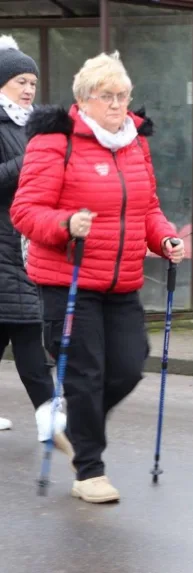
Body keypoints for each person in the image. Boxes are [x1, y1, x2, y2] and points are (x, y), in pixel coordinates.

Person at [11, 51, 185, 503]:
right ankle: (90, 470)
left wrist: (164, 239)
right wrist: (66, 225)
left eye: (122, 95)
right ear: (83, 100)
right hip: (68, 280)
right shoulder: (55, 142)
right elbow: (25, 211)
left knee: (128, 366)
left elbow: (146, 208)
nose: (116, 104)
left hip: (122, 280)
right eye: (105, 96)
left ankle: (72, 424)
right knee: (86, 375)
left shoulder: (134, 143)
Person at [0, 35, 72, 458]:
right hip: (4, 248)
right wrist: (30, 158)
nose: (29, 89)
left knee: (22, 330)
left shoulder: (36, 126)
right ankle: (53, 421)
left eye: (33, 82)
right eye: (20, 81)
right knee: (28, 333)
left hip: (28, 246)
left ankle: (53, 420)